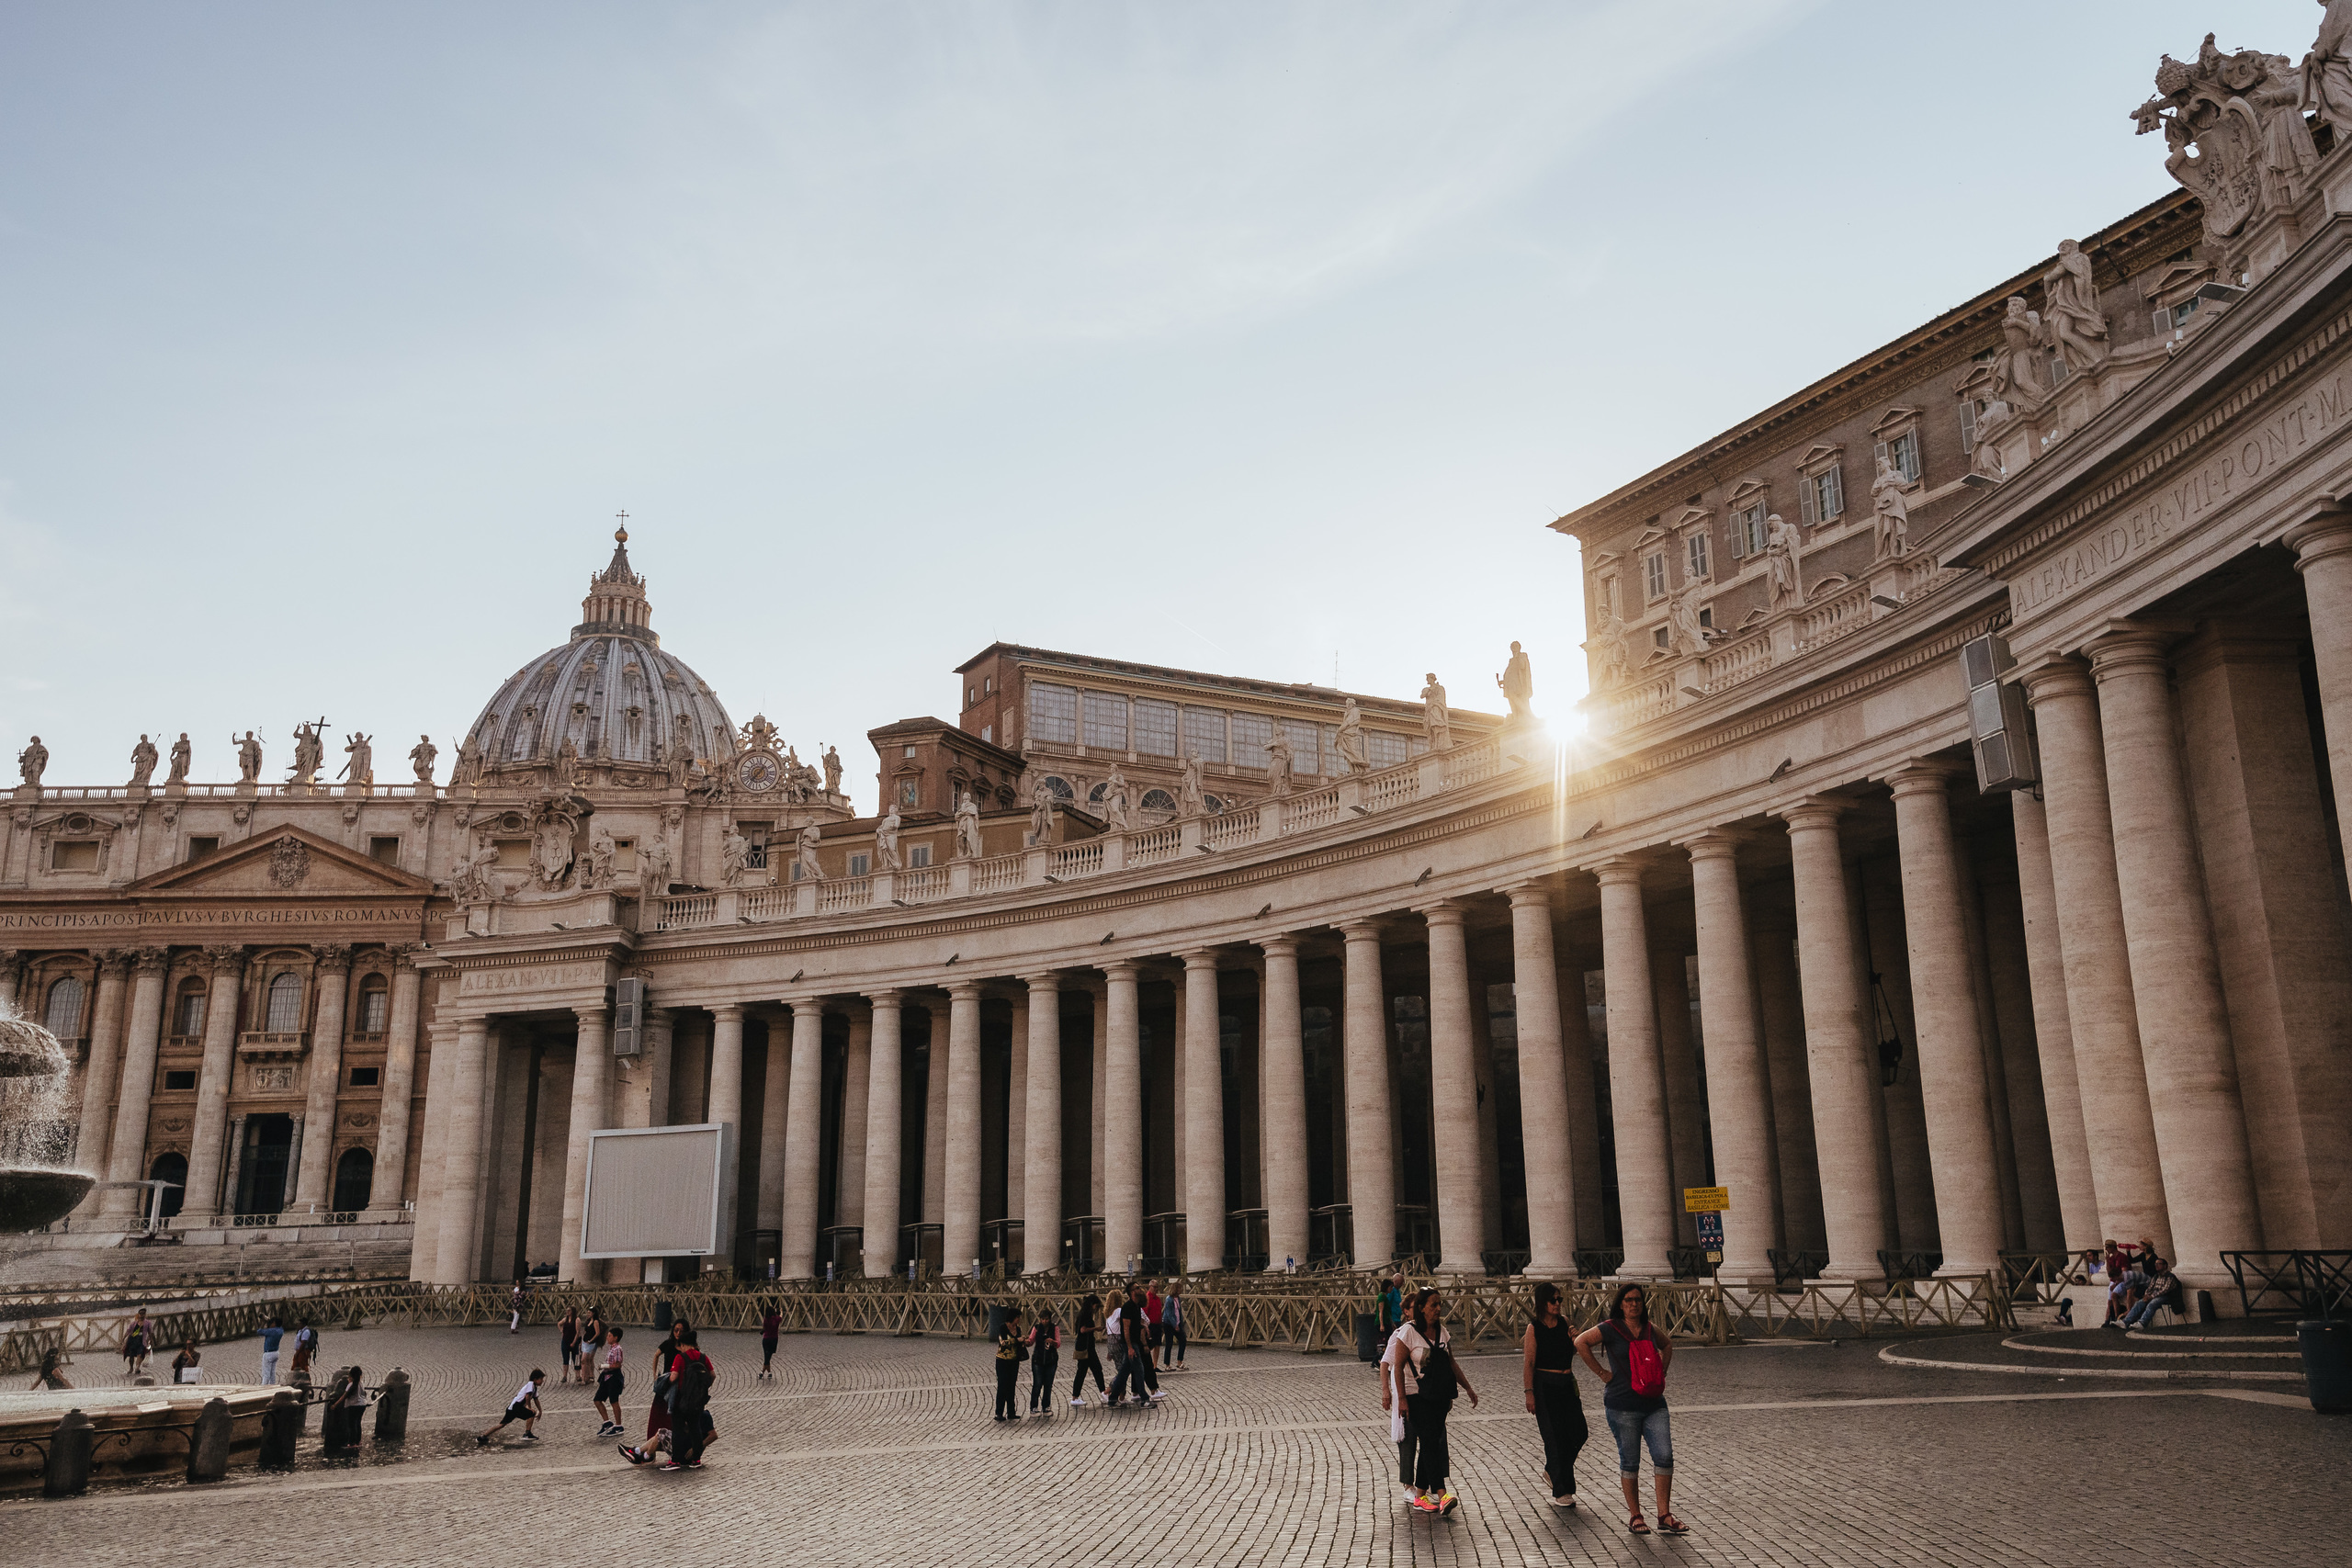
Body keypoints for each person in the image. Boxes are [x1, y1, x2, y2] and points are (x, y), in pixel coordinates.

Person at [1575, 1282, 1684, 1536]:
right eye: (1628, 1300)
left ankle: (1664, 1514)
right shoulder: (1610, 1328)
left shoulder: (1649, 1328)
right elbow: (1581, 1342)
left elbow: (1667, 1345)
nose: (1634, 1304)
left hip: (1654, 1403)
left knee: (1664, 1456)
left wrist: (1662, 1371)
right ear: (1620, 1304)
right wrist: (1602, 1373)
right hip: (1622, 1405)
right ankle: (1635, 1515)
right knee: (1630, 1461)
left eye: (1637, 1300)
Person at [1387, 1289, 1477, 1516]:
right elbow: (1396, 1367)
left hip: (1438, 1394)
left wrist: (1467, 1387)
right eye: (1433, 1305)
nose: (1438, 1309)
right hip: (1414, 1394)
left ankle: (1419, 1496)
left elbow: (1451, 1363)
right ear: (1421, 1307)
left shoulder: (1442, 1332)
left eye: (1440, 1304)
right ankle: (1442, 1492)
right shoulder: (1407, 1332)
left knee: (1432, 1442)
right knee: (1429, 1440)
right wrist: (1401, 1400)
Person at [1521, 1280, 1587, 1510]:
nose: (1558, 1304)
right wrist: (1529, 1393)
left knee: (1579, 1432)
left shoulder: (1566, 1323)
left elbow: (1578, 1351)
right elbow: (1529, 1362)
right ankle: (1562, 1490)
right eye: (1553, 1300)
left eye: (1560, 1300)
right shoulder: (1534, 1328)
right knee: (1554, 1437)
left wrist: (1577, 1338)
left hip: (1566, 1383)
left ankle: (1552, 1470)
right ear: (1542, 1303)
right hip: (1545, 1385)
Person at [664, 1328, 716, 1470]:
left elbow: (674, 1377)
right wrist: (703, 1388)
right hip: (698, 1399)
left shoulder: (681, 1358)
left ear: (684, 1345)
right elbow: (712, 1375)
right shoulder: (703, 1357)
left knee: (678, 1429)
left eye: (680, 1346)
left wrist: (666, 1381)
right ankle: (696, 1459)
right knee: (695, 1428)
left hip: (682, 1399)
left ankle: (675, 1461)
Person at [479, 1369, 546, 1445]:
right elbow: (527, 1397)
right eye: (541, 1379)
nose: (542, 1381)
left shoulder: (534, 1388)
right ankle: (527, 1434)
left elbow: (536, 1399)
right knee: (532, 1413)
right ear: (535, 1379)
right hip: (516, 1407)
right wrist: (530, 1408)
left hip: (511, 1408)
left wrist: (540, 1411)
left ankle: (483, 1436)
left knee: (502, 1425)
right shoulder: (530, 1384)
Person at [1069, 1292, 1107, 1407]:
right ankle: (1076, 1397)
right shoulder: (1085, 1315)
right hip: (1086, 1347)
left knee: (1091, 1370)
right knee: (1090, 1370)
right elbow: (1083, 1330)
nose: (1096, 1308)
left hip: (1087, 1346)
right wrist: (1096, 1328)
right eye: (1096, 1306)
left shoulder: (1084, 1314)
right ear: (1092, 1304)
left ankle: (1102, 1393)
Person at [2121, 1258, 2181, 1329]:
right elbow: (2150, 1287)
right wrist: (2146, 1295)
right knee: (2139, 1302)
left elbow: (2165, 1290)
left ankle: (2142, 1323)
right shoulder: (2156, 1276)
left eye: (2159, 1264)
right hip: (2155, 1296)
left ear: (2165, 1266)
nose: (2156, 1265)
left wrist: (2151, 1296)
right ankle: (2126, 1322)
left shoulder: (2170, 1277)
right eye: (2155, 1264)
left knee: (2152, 1303)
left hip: (2167, 1296)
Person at [993, 1305, 1026, 1421]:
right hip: (1002, 1360)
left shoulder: (1018, 1329)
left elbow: (1018, 1343)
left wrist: (1023, 1342)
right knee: (1002, 1385)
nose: (1019, 1320)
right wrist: (1017, 1340)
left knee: (1011, 1386)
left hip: (1014, 1360)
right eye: (1017, 1317)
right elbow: (1003, 1342)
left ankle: (1011, 1412)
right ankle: (999, 1412)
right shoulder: (1003, 1327)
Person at [1028, 1307, 1061, 1416]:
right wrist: (1025, 1342)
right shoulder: (1037, 1328)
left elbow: (1058, 1343)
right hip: (1038, 1358)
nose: (1044, 1321)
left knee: (1048, 1384)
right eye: (1042, 1319)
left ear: (1049, 1319)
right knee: (1037, 1384)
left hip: (1051, 1359)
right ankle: (1033, 1407)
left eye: (1046, 1319)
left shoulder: (1054, 1328)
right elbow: (1031, 1340)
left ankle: (1046, 1406)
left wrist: (1052, 1342)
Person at [594, 1327, 627, 1436]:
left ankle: (618, 1425)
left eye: (609, 1336)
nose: (607, 1337)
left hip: (614, 1377)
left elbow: (617, 1365)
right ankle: (607, 1422)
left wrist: (605, 1366)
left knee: (614, 1401)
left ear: (615, 1338)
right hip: (606, 1377)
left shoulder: (617, 1349)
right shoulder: (612, 1348)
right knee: (597, 1400)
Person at [1161, 1280, 1187, 1371]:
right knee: (1169, 1343)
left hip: (1177, 1322)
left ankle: (1179, 1361)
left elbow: (1178, 1312)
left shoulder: (1178, 1299)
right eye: (1179, 1288)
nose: (1181, 1290)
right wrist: (1174, 1324)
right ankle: (1167, 1364)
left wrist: (1180, 1323)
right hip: (1168, 1323)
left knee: (1183, 1340)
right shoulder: (1169, 1299)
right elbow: (1169, 1313)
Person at [258, 1315, 285, 1385]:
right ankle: (273, 1386)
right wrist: (270, 1321)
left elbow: (259, 1331)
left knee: (266, 1373)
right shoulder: (281, 1330)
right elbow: (278, 1326)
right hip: (276, 1353)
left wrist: (264, 1322)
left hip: (268, 1353)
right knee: (272, 1373)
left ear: (275, 1323)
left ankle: (263, 1388)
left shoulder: (271, 1331)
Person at [290, 1318, 319, 1382]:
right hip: (299, 1351)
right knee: (295, 1366)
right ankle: (294, 1380)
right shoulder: (300, 1331)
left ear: (303, 1324)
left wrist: (297, 1352)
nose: (298, 1325)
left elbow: (303, 1343)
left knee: (303, 1366)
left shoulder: (306, 1332)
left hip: (303, 1351)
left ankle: (307, 1381)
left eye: (299, 1323)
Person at [123, 1309, 151, 1376]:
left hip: (142, 1341)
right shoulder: (134, 1323)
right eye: (140, 1313)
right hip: (133, 1340)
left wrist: (149, 1340)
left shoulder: (147, 1323)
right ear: (138, 1314)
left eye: (143, 1313)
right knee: (131, 1355)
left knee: (140, 1354)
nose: (142, 1315)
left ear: (145, 1314)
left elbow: (150, 1332)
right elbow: (128, 1331)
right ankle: (131, 1368)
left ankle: (137, 1367)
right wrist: (124, 1338)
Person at [759, 1304, 781, 1379]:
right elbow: (780, 1318)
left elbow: (765, 1327)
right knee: (768, 1357)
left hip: (766, 1339)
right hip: (774, 1339)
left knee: (767, 1356)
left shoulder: (766, 1319)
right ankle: (765, 1373)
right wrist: (779, 1313)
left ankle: (765, 1373)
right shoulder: (777, 1319)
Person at [559, 1308, 581, 1383]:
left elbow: (578, 1332)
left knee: (576, 1359)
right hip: (565, 1341)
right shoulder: (565, 1319)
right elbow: (559, 1323)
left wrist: (574, 1342)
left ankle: (578, 1375)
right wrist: (562, 1330)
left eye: (569, 1311)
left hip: (574, 1341)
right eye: (567, 1310)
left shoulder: (577, 1320)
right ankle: (565, 1376)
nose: (567, 1312)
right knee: (565, 1359)